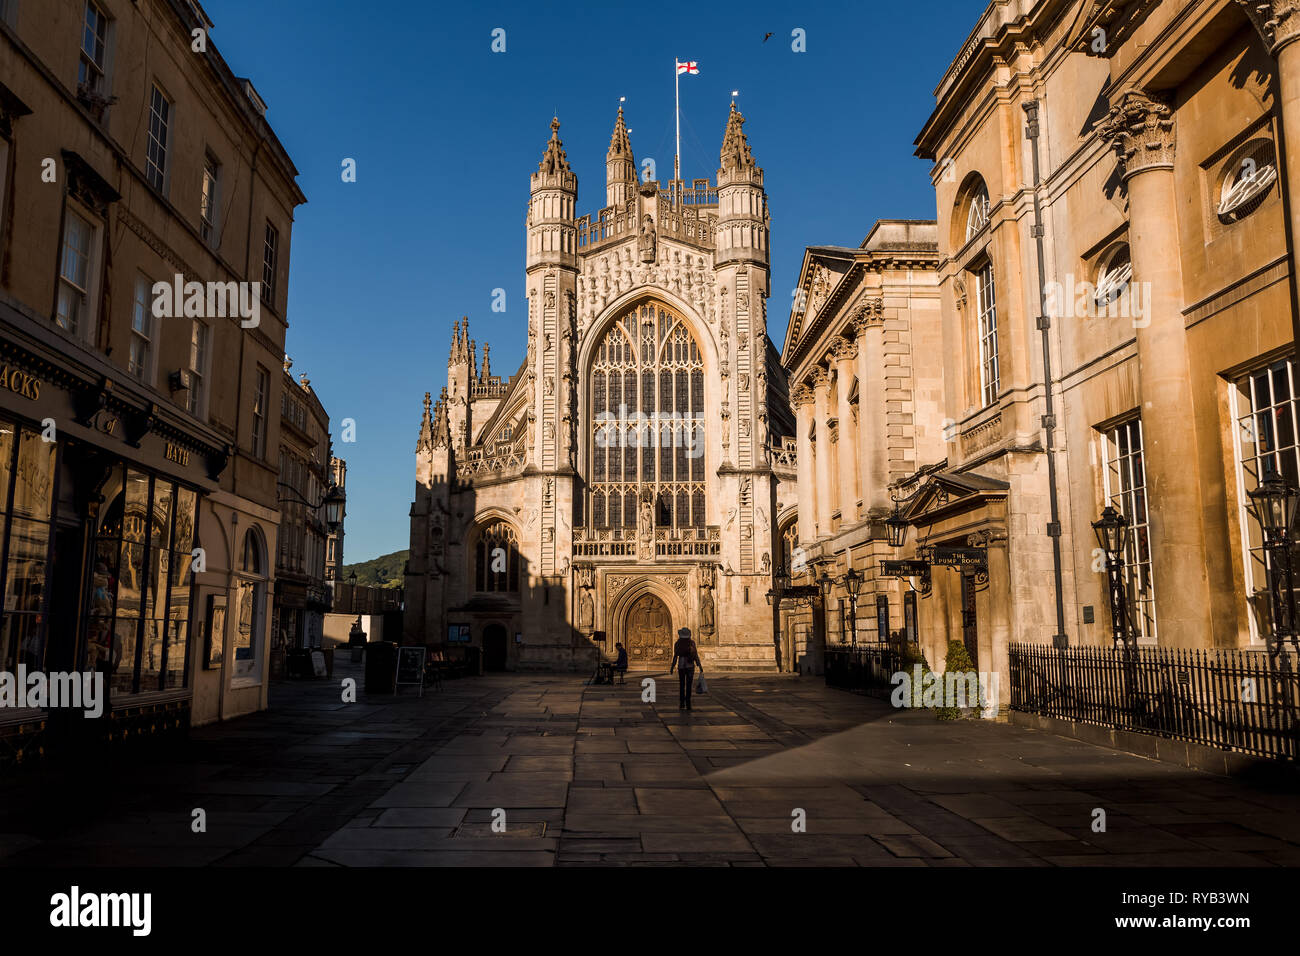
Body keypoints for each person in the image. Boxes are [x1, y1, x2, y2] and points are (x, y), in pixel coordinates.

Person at [669, 627, 702, 710]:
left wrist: (672, 667)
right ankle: (688, 703)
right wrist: (699, 665)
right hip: (690, 666)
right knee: (689, 685)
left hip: (681, 666)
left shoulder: (677, 643)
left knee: (682, 685)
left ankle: (681, 703)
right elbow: (695, 655)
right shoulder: (691, 643)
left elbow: (675, 656)